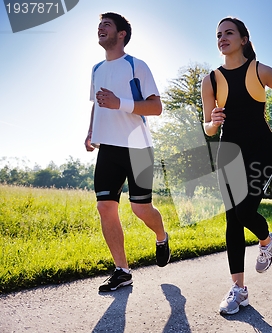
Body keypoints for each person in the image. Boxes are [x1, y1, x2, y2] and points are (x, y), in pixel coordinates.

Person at [201, 17, 272, 314]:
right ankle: (239, 290)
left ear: (243, 39)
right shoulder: (211, 80)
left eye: (229, 33)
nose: (222, 38)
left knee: (244, 212)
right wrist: (212, 122)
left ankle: (266, 238)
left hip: (261, 149)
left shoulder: (259, 70)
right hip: (228, 152)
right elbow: (209, 129)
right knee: (232, 217)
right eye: (218, 35)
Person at [84, 12, 170, 292]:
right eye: (100, 25)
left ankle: (161, 235)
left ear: (121, 34)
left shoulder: (136, 65)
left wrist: (119, 102)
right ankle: (122, 271)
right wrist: (90, 132)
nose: (101, 28)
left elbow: (156, 107)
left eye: (106, 25)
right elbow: (97, 104)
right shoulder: (96, 69)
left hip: (138, 147)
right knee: (104, 207)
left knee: (140, 208)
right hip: (108, 147)